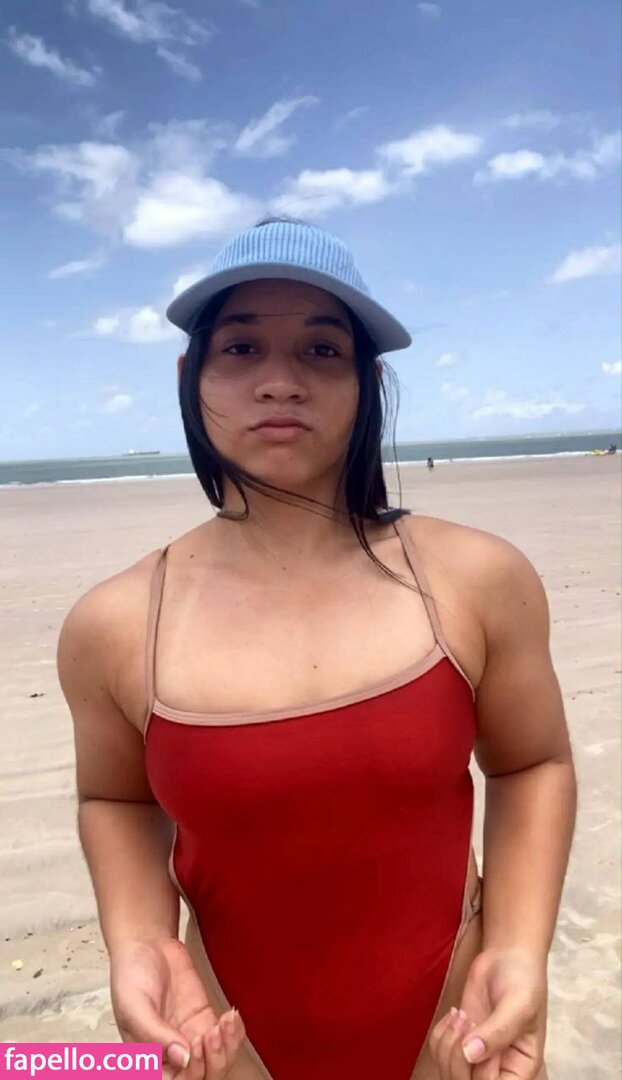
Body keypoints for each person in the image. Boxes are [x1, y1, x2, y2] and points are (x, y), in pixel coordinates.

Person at [57, 218, 576, 1080]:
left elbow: (533, 764)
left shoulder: (477, 578)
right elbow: (114, 798)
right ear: (191, 377)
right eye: (241, 347)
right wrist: (139, 940)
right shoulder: (113, 624)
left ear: (367, 383)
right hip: (226, 1049)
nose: (280, 381)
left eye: (322, 350)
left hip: (461, 1038)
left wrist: (520, 950)